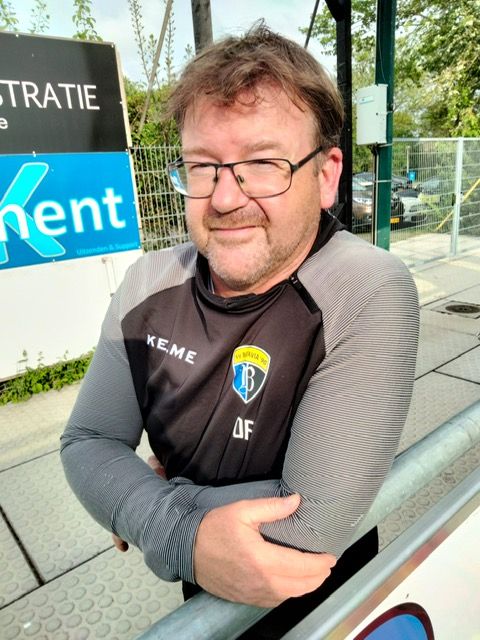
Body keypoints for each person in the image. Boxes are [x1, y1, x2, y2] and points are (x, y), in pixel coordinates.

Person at [60, 23, 419, 638]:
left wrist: (142, 509)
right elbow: (88, 441)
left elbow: (311, 524)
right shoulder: (148, 284)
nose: (225, 198)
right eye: (203, 166)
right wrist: (168, 521)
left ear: (326, 174)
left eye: (262, 163)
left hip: (328, 602)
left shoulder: (364, 285)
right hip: (206, 596)